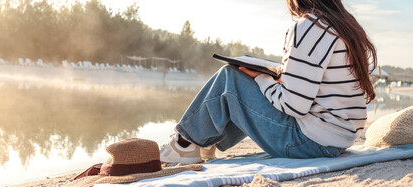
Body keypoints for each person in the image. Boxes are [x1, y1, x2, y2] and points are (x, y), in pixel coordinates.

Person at [160, 0, 377, 164]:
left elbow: (294, 105)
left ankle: (184, 144)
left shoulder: (309, 26)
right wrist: (281, 78)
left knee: (230, 76)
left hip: (309, 142)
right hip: (337, 140)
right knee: (248, 82)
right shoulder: (345, 28)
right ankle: (202, 142)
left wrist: (262, 78)